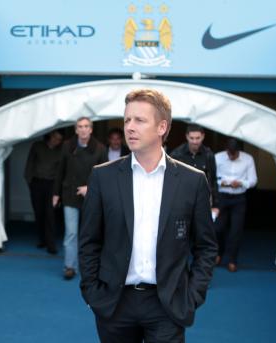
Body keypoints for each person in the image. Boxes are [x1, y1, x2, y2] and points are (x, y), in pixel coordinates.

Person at [79, 89, 217, 343]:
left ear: (162, 127)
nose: (129, 127)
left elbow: (206, 247)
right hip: (114, 304)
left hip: (167, 305)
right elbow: (89, 241)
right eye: (127, 120)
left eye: (139, 120)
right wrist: (92, 293)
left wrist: (192, 296)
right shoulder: (102, 177)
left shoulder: (192, 181)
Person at [53, 117, 107, 280]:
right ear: (76, 130)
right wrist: (56, 193)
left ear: (91, 129)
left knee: (90, 234)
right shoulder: (67, 146)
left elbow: (105, 176)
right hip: (69, 195)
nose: (83, 129)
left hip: (91, 197)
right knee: (71, 233)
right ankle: (70, 266)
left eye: (86, 126)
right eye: (80, 127)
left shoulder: (100, 148)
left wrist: (89, 188)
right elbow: (60, 170)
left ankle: (91, 267)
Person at [214, 138, 258, 272]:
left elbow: (253, 180)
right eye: (229, 154)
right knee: (218, 228)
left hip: (239, 197)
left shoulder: (248, 159)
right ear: (226, 151)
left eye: (234, 154)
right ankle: (218, 253)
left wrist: (241, 183)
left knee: (236, 230)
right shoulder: (217, 157)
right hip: (222, 196)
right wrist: (221, 182)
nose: (231, 157)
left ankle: (232, 259)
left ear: (239, 152)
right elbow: (212, 176)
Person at [24, 130, 64, 254]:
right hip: (37, 183)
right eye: (55, 138)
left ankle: (51, 244)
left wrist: (59, 189)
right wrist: (30, 181)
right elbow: (29, 164)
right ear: (50, 136)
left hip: (52, 184)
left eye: (59, 139)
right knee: (39, 212)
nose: (56, 141)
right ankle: (42, 240)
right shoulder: (37, 146)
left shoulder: (61, 151)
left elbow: (61, 170)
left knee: (50, 214)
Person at [170, 124, 219, 217]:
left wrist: (215, 205)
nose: (195, 141)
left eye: (198, 138)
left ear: (203, 136)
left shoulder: (208, 155)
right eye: (192, 138)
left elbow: (213, 180)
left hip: (203, 200)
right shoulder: (176, 155)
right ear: (187, 136)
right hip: (182, 200)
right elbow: (171, 180)